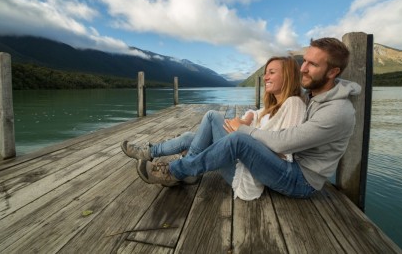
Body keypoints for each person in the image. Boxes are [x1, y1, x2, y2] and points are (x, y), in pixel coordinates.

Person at [135, 37, 361, 198]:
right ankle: (179, 165)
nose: (303, 68)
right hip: (282, 163)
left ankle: (175, 171)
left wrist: (241, 128)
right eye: (304, 61)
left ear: (333, 72)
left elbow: (283, 143)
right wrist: (249, 117)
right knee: (211, 123)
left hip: (300, 180)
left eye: (313, 64)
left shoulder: (337, 111)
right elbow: (274, 108)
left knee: (237, 139)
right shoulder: (312, 94)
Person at [122, 56, 306, 200]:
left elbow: (284, 149)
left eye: (272, 72)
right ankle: (151, 152)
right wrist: (248, 118)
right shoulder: (273, 107)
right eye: (265, 72)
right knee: (190, 137)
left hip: (247, 175)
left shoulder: (294, 104)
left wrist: (244, 133)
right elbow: (257, 114)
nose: (265, 77)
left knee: (212, 116)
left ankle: (179, 169)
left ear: (288, 76)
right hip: (241, 162)